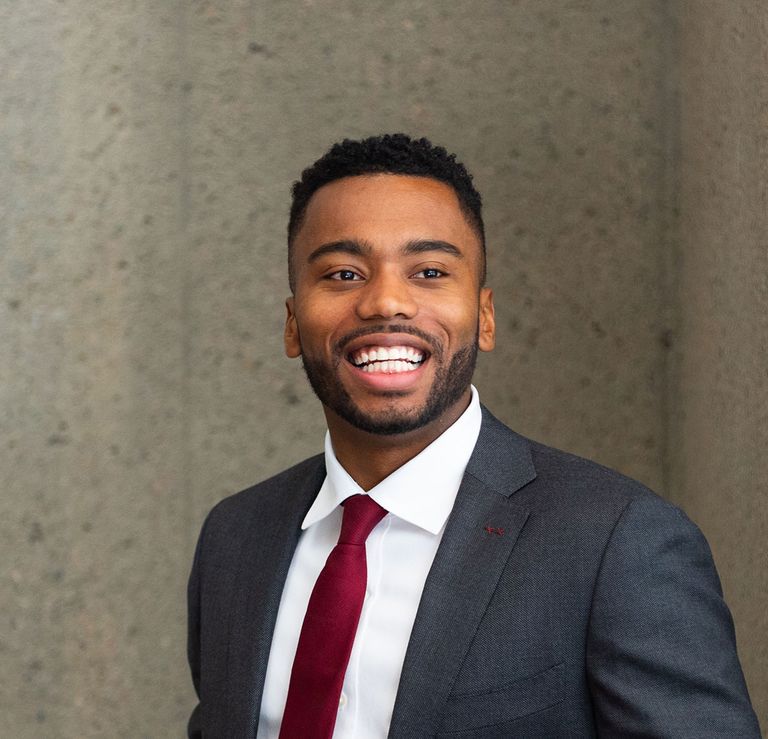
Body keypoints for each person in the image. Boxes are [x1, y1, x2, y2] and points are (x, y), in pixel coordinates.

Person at [186, 134, 760, 738]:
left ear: (484, 316)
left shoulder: (616, 542)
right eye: (344, 273)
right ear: (292, 323)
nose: (386, 301)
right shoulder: (235, 537)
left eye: (430, 271)